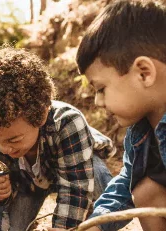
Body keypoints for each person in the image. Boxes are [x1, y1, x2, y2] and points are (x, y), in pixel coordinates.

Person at [0, 47, 115, 230]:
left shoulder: (66, 123)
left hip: (78, 170)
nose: (3, 149)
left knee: (100, 187)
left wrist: (64, 227)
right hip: (28, 184)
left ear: (41, 115)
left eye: (14, 140)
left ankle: (92, 216)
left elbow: (75, 188)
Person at [74, 0, 166, 230]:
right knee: (146, 191)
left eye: (101, 88)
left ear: (144, 74)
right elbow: (126, 183)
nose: (97, 101)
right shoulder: (141, 130)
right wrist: (96, 224)